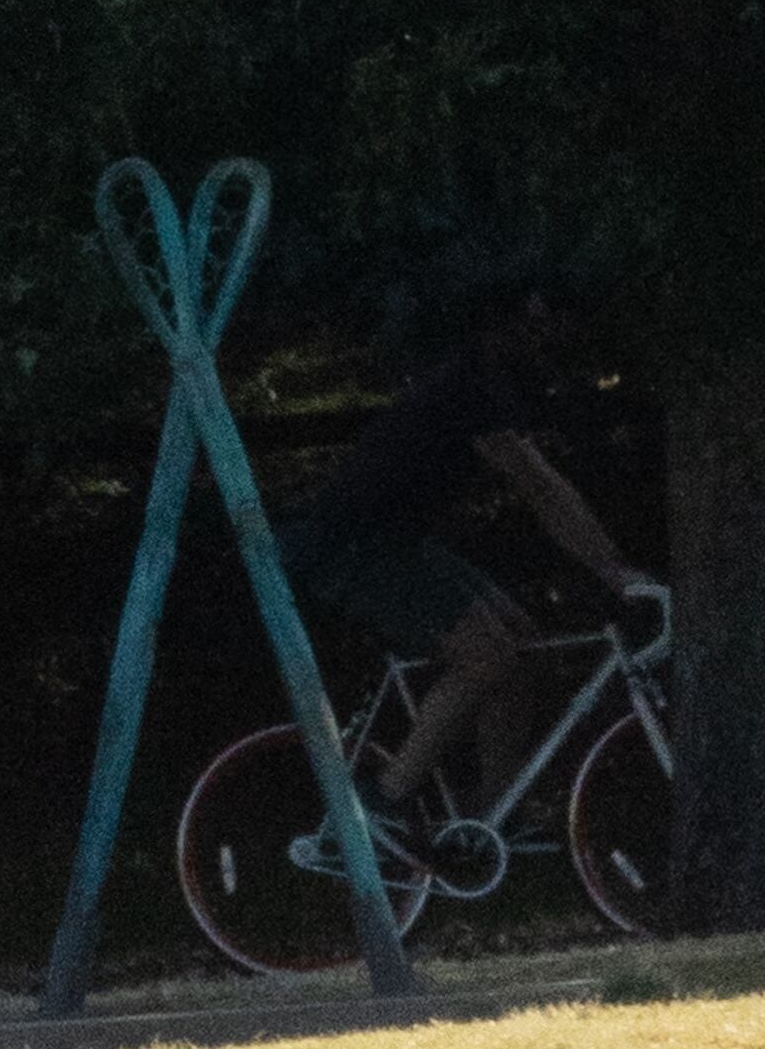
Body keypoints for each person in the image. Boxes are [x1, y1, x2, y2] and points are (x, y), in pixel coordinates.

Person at [276, 281, 659, 816]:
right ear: (507, 322)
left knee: (520, 646)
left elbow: (539, 480)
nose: (550, 334)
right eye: (539, 321)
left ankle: (494, 810)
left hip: (395, 540)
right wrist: (611, 568)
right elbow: (539, 486)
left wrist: (608, 565)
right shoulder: (468, 388)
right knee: (488, 655)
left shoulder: (489, 379)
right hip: (352, 545)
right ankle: (382, 799)